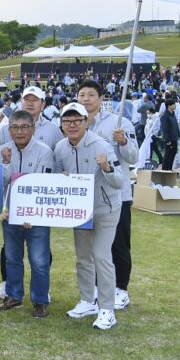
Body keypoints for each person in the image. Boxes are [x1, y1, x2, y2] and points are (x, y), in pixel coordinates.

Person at [54, 102, 124, 331]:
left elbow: (119, 182)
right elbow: (57, 175)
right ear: (62, 124)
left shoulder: (101, 146)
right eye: (67, 121)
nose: (71, 125)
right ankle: (87, 300)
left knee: (101, 256)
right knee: (83, 257)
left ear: (86, 122)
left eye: (77, 121)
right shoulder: (60, 148)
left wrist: (106, 167)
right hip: (80, 211)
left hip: (105, 209)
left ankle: (107, 309)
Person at [78, 80, 138, 311]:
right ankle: (96, 289)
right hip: (86, 197)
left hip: (116, 194)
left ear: (101, 98)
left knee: (118, 245)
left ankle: (120, 289)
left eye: (91, 94)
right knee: (93, 248)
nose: (86, 99)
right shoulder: (75, 123)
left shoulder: (118, 122)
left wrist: (123, 141)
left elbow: (133, 158)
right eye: (82, 94)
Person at [0, 110, 55, 318]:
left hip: (36, 216)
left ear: (33, 129)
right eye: (14, 127)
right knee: (12, 258)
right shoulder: (3, 150)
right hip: (10, 215)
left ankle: (40, 300)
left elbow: (41, 185)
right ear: (9, 129)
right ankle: (13, 295)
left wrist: (31, 214)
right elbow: (1, 184)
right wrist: (5, 163)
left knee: (39, 261)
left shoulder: (44, 151)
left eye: (24, 127)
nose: (19, 132)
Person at [159, 98, 180, 171]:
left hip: (174, 138)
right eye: (173, 104)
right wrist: (167, 139)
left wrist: (178, 135)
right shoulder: (165, 115)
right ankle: (165, 170)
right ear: (169, 106)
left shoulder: (173, 114)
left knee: (173, 153)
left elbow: (176, 125)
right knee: (168, 154)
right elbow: (164, 128)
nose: (175, 106)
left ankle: (169, 168)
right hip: (169, 139)